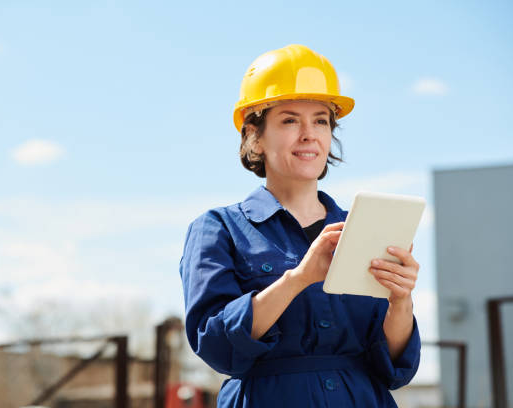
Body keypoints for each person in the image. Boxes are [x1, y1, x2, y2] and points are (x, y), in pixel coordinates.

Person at [179, 44, 420, 407]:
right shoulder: (219, 228)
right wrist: (299, 278)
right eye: (290, 120)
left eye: (320, 120)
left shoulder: (364, 229)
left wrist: (401, 301)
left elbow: (393, 367)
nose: (309, 134)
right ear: (253, 136)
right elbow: (215, 344)